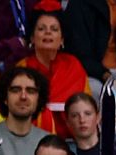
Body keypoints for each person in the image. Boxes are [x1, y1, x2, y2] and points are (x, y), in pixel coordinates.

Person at [20, 6, 89, 135]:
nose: (48, 33)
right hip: (30, 138)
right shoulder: (21, 69)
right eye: (41, 29)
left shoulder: (73, 65)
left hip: (73, 139)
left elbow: (84, 106)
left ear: (62, 39)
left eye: (54, 29)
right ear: (32, 38)